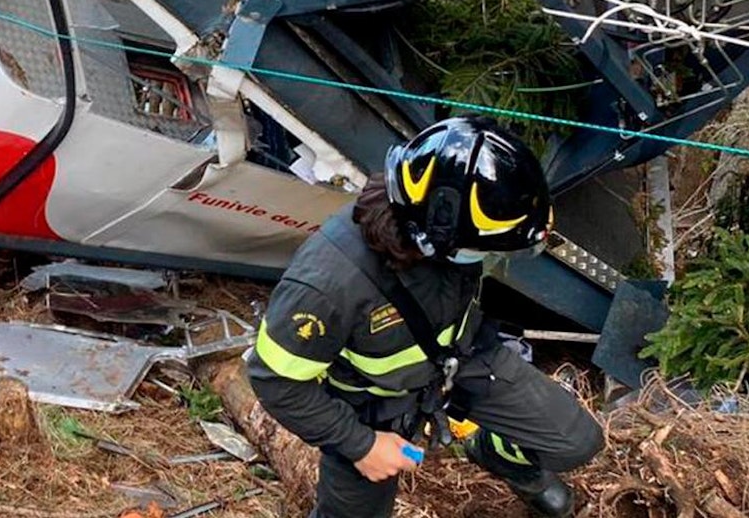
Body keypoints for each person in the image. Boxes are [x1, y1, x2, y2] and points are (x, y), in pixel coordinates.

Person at [247, 116, 604, 518]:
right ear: (435, 236)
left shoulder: (446, 221)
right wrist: (360, 445)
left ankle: (497, 454)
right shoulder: (327, 284)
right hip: (371, 404)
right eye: (485, 250)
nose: (489, 258)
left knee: (575, 441)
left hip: (460, 359)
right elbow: (275, 380)